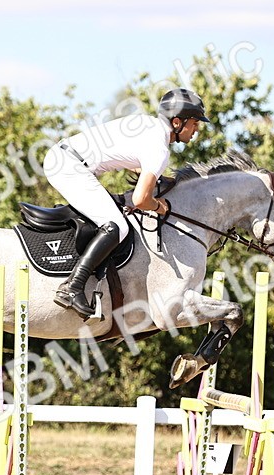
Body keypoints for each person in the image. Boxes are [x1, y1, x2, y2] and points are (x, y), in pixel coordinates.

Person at [43, 88, 209, 318]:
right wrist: (161, 206)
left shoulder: (147, 125)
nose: (197, 129)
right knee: (116, 226)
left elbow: (133, 163)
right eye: (195, 122)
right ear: (178, 122)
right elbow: (141, 200)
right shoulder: (159, 147)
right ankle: (73, 287)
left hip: (64, 159)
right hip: (69, 167)